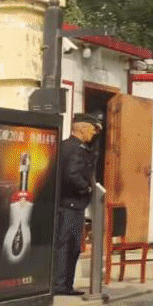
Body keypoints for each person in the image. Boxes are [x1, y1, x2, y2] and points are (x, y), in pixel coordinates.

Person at [52, 112, 101, 295]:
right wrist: (86, 188)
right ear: (81, 129)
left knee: (67, 245)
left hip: (67, 204)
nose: (93, 133)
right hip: (71, 205)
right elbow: (71, 174)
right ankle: (62, 284)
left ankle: (64, 284)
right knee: (68, 246)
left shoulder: (65, 146)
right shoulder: (76, 149)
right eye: (92, 129)